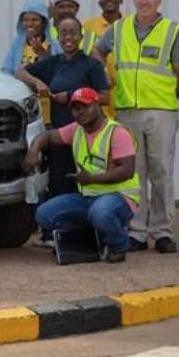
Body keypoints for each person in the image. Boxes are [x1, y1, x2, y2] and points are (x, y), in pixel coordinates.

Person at [93, 0, 179, 254]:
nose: (144, 2)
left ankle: (162, 232)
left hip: (160, 112)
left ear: (159, 1)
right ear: (133, 0)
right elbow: (97, 52)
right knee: (134, 174)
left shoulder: (172, 31)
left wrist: (167, 95)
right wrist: (107, 77)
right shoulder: (119, 28)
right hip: (127, 111)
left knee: (161, 172)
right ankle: (136, 231)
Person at [16, 17, 110, 247]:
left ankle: (87, 235)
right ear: (58, 36)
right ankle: (54, 234)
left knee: (84, 185)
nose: (69, 37)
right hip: (60, 134)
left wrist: (72, 97)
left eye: (73, 32)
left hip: (86, 135)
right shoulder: (54, 63)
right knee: (58, 183)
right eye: (64, 32)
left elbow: (105, 97)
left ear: (81, 36)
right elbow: (20, 72)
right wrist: (38, 83)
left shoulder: (91, 65)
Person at [24, 88, 140, 264]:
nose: (80, 112)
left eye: (85, 107)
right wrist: (34, 150)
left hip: (119, 197)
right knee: (44, 214)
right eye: (75, 109)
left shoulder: (117, 133)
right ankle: (90, 240)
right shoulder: (76, 129)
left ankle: (118, 244)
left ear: (98, 106)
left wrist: (92, 179)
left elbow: (127, 170)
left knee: (100, 213)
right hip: (88, 197)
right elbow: (47, 136)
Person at [1, 0, 60, 125]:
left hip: (47, 107)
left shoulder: (54, 45)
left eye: (34, 20)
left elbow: (58, 73)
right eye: (26, 20)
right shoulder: (17, 44)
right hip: (22, 104)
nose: (30, 24)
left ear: (44, 22)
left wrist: (41, 53)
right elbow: (7, 70)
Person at [82, 0, 124, 116]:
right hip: (101, 90)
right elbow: (87, 54)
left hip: (124, 91)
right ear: (99, 2)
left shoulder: (129, 25)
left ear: (121, 0)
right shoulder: (88, 26)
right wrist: (102, 73)